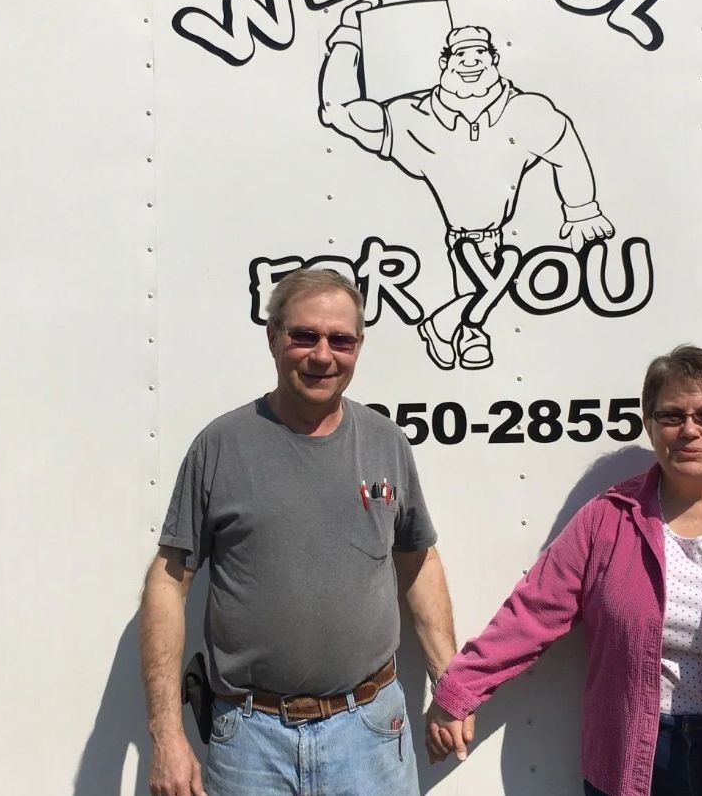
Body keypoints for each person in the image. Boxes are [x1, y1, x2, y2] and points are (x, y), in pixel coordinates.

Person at [425, 345, 702, 795]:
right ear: (650, 425)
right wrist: (459, 691)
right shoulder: (608, 520)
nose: (689, 430)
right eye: (671, 416)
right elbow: (532, 613)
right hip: (632, 763)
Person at [140, 268, 470, 796]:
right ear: (273, 337)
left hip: (370, 734)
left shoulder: (385, 442)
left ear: (358, 347)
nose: (322, 355)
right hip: (250, 741)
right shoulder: (220, 447)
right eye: (304, 336)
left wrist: (447, 682)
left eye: (340, 340)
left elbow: (417, 560)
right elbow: (168, 583)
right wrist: (166, 735)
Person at [318, 0, 615, 371]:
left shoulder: (526, 111)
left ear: (494, 60)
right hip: (462, 238)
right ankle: (463, 331)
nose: (471, 62)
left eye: (480, 54)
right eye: (460, 54)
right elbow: (339, 110)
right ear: (444, 63)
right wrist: (349, 36)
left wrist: (581, 208)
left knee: (497, 273)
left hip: (492, 238)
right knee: (498, 275)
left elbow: (565, 146)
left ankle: (454, 329)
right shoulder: (415, 118)